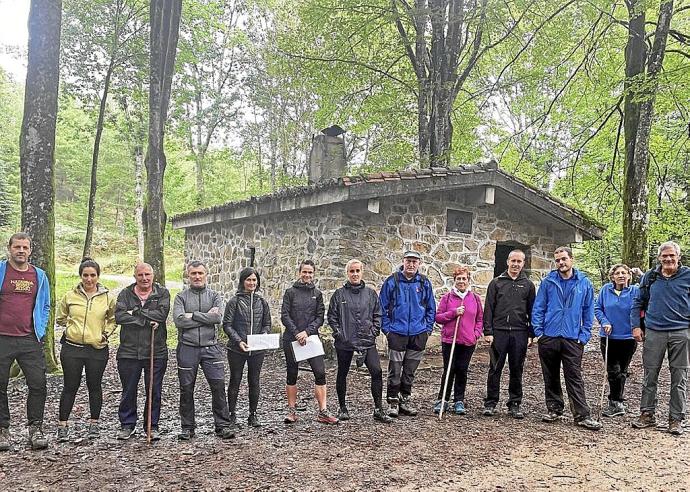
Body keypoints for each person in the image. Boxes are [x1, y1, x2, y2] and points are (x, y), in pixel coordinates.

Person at [531, 246, 601, 430]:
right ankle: (554, 408)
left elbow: (588, 310)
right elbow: (539, 307)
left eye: (564, 259)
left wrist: (584, 335)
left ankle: (582, 415)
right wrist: (539, 332)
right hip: (549, 336)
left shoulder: (584, 283)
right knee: (550, 374)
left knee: (574, 376)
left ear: (571, 259)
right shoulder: (548, 282)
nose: (561, 263)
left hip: (572, 337)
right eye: (558, 260)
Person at [631, 241, 690, 435]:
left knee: (679, 376)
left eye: (672, 255)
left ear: (678, 257)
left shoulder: (687, 276)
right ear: (659, 258)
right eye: (664, 256)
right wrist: (636, 327)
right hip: (654, 331)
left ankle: (676, 419)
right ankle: (647, 414)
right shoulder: (650, 277)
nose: (668, 259)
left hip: (681, 332)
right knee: (650, 375)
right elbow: (638, 301)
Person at [56, 257, 116, 442]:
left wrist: (104, 334)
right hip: (72, 348)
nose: (89, 279)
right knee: (70, 386)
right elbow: (60, 317)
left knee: (94, 386)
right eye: (85, 275)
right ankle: (63, 425)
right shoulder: (70, 296)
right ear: (80, 276)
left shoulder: (108, 297)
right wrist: (72, 329)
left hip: (96, 349)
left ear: (98, 276)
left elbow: (113, 319)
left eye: (93, 275)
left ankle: (94, 424)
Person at [0, 232, 50, 451]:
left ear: (30, 250)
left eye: (25, 247)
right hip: (2, 337)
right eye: (17, 247)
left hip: (30, 338)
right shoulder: (2, 271)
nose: (21, 251)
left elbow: (46, 304)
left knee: (38, 383)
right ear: (9, 248)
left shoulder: (39, 275)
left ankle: (35, 428)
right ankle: (3, 430)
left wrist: (40, 327)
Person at [173, 261, 234, 440]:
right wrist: (206, 316)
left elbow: (217, 318)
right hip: (187, 348)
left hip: (211, 348)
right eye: (194, 274)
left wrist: (193, 315)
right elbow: (179, 321)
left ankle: (222, 425)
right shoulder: (181, 297)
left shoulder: (214, 295)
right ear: (188, 275)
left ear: (206, 275)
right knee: (186, 388)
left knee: (218, 386)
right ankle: (187, 427)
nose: (197, 277)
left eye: (200, 273)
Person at [327, 259, 393, 423]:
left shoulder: (370, 294)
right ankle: (342, 407)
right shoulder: (339, 294)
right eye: (352, 271)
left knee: (376, 371)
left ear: (362, 272)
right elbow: (332, 316)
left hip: (367, 340)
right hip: (345, 342)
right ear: (347, 273)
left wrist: (374, 331)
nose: (355, 274)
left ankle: (378, 408)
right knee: (342, 372)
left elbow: (378, 314)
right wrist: (338, 333)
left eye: (357, 271)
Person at [114, 262, 170, 440]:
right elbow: (119, 316)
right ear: (135, 276)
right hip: (129, 351)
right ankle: (127, 424)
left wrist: (135, 312)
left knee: (154, 389)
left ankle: (151, 425)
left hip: (156, 350)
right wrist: (144, 319)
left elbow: (161, 315)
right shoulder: (125, 293)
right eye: (140, 275)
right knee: (128, 389)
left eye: (147, 274)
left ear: (153, 275)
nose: (144, 278)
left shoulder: (162, 293)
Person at [379, 250, 436, 417]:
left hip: (418, 334)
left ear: (419, 263)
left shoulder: (424, 282)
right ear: (403, 262)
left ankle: (405, 399)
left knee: (410, 370)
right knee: (395, 369)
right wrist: (387, 330)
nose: (411, 264)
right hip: (397, 332)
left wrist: (427, 329)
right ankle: (392, 402)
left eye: (414, 261)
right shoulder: (392, 281)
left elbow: (431, 308)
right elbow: (381, 307)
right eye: (408, 261)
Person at [281, 259, 338, 424]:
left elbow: (320, 317)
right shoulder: (290, 292)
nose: (307, 275)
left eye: (310, 272)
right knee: (292, 374)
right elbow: (285, 315)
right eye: (304, 272)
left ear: (314, 274)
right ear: (299, 273)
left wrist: (307, 332)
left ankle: (323, 411)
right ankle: (292, 411)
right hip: (292, 339)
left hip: (311, 338)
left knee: (320, 373)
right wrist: (297, 333)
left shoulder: (318, 294)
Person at [482, 249, 536, 419]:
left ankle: (514, 403)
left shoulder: (528, 285)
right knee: (495, 368)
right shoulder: (497, 283)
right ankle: (490, 403)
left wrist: (530, 334)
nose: (516, 264)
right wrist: (488, 331)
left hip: (520, 333)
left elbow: (532, 310)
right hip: (499, 332)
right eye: (513, 261)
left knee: (516, 369)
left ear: (523, 264)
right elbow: (488, 308)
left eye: (519, 261)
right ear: (507, 262)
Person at [223, 267, 272, 429]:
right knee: (235, 380)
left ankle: (253, 415)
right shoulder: (234, 301)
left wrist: (262, 337)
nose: (251, 283)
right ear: (243, 281)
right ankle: (231, 414)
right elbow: (227, 325)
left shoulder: (262, 302)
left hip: (257, 350)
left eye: (254, 280)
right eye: (248, 280)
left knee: (254, 381)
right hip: (237, 349)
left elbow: (266, 324)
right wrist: (238, 341)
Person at [433, 267, 483, 415]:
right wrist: (454, 313)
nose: (461, 281)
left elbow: (480, 319)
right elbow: (438, 317)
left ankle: (459, 400)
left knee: (462, 369)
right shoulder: (447, 298)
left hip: (468, 341)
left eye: (464, 278)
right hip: (450, 340)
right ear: (454, 281)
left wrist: (476, 334)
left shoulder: (474, 298)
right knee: (450, 369)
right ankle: (443, 399)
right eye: (458, 279)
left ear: (468, 280)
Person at [594, 263, 638, 418]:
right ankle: (616, 401)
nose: (621, 275)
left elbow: (644, 304)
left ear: (629, 276)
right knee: (613, 370)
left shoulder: (635, 291)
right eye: (617, 273)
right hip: (608, 337)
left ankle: (616, 402)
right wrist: (604, 321)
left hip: (628, 338)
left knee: (622, 371)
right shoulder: (606, 290)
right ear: (612, 276)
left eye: (624, 273)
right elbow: (598, 308)